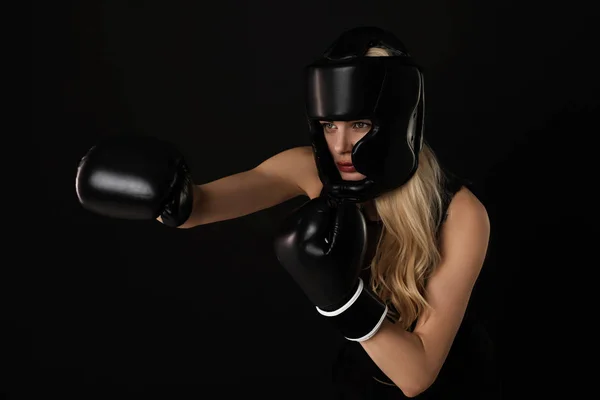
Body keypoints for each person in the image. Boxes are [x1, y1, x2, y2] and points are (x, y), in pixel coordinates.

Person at [76, 27, 499, 399]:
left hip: (450, 387)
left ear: (396, 122)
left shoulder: (459, 214)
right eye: (330, 125)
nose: (340, 146)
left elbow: (416, 376)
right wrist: (164, 195)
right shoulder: (313, 169)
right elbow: (198, 207)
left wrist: (340, 300)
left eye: (360, 124)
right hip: (361, 380)